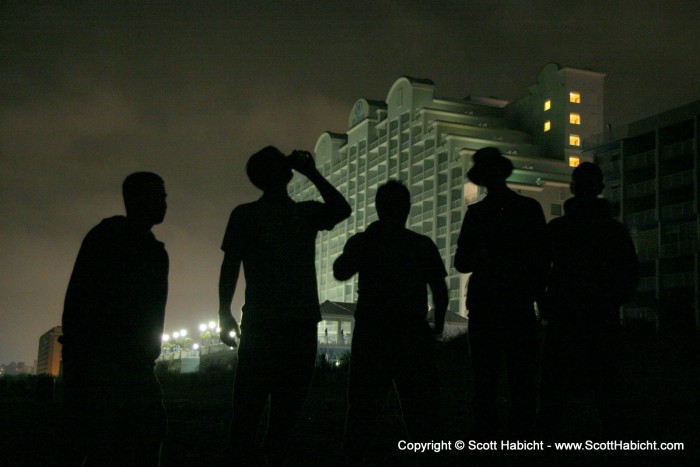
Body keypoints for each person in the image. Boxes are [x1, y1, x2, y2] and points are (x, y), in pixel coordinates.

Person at [218, 146, 351, 463]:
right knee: (284, 420)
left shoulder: (245, 215)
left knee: (246, 416)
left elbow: (230, 267)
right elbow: (340, 209)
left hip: (262, 324)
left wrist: (224, 311)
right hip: (298, 325)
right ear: (285, 173)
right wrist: (313, 172)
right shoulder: (303, 214)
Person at [334, 180, 448, 462]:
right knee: (421, 412)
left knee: (362, 410)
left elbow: (340, 271)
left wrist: (362, 240)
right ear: (407, 209)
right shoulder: (422, 245)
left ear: (377, 208)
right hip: (413, 333)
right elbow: (440, 290)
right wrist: (438, 324)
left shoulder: (365, 242)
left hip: (372, 335)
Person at [60, 172, 169, 466]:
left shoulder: (142, 248)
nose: (165, 201)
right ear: (139, 199)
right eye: (159, 195)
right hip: (108, 367)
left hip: (124, 365)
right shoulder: (121, 241)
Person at [538, 162, 639, 440]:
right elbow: (630, 272)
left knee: (553, 394)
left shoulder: (558, 228)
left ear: (572, 187)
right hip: (601, 318)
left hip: (563, 318)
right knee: (608, 392)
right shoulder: (614, 231)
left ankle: (544, 446)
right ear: (600, 189)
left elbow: (538, 269)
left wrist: (544, 302)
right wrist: (612, 300)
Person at [454, 147, 547, 440]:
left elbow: (461, 262)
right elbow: (542, 261)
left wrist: (485, 257)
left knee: (485, 385)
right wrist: (538, 296)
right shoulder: (529, 210)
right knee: (523, 385)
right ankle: (523, 442)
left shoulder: (477, 215)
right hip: (519, 307)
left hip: (485, 308)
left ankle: (487, 443)